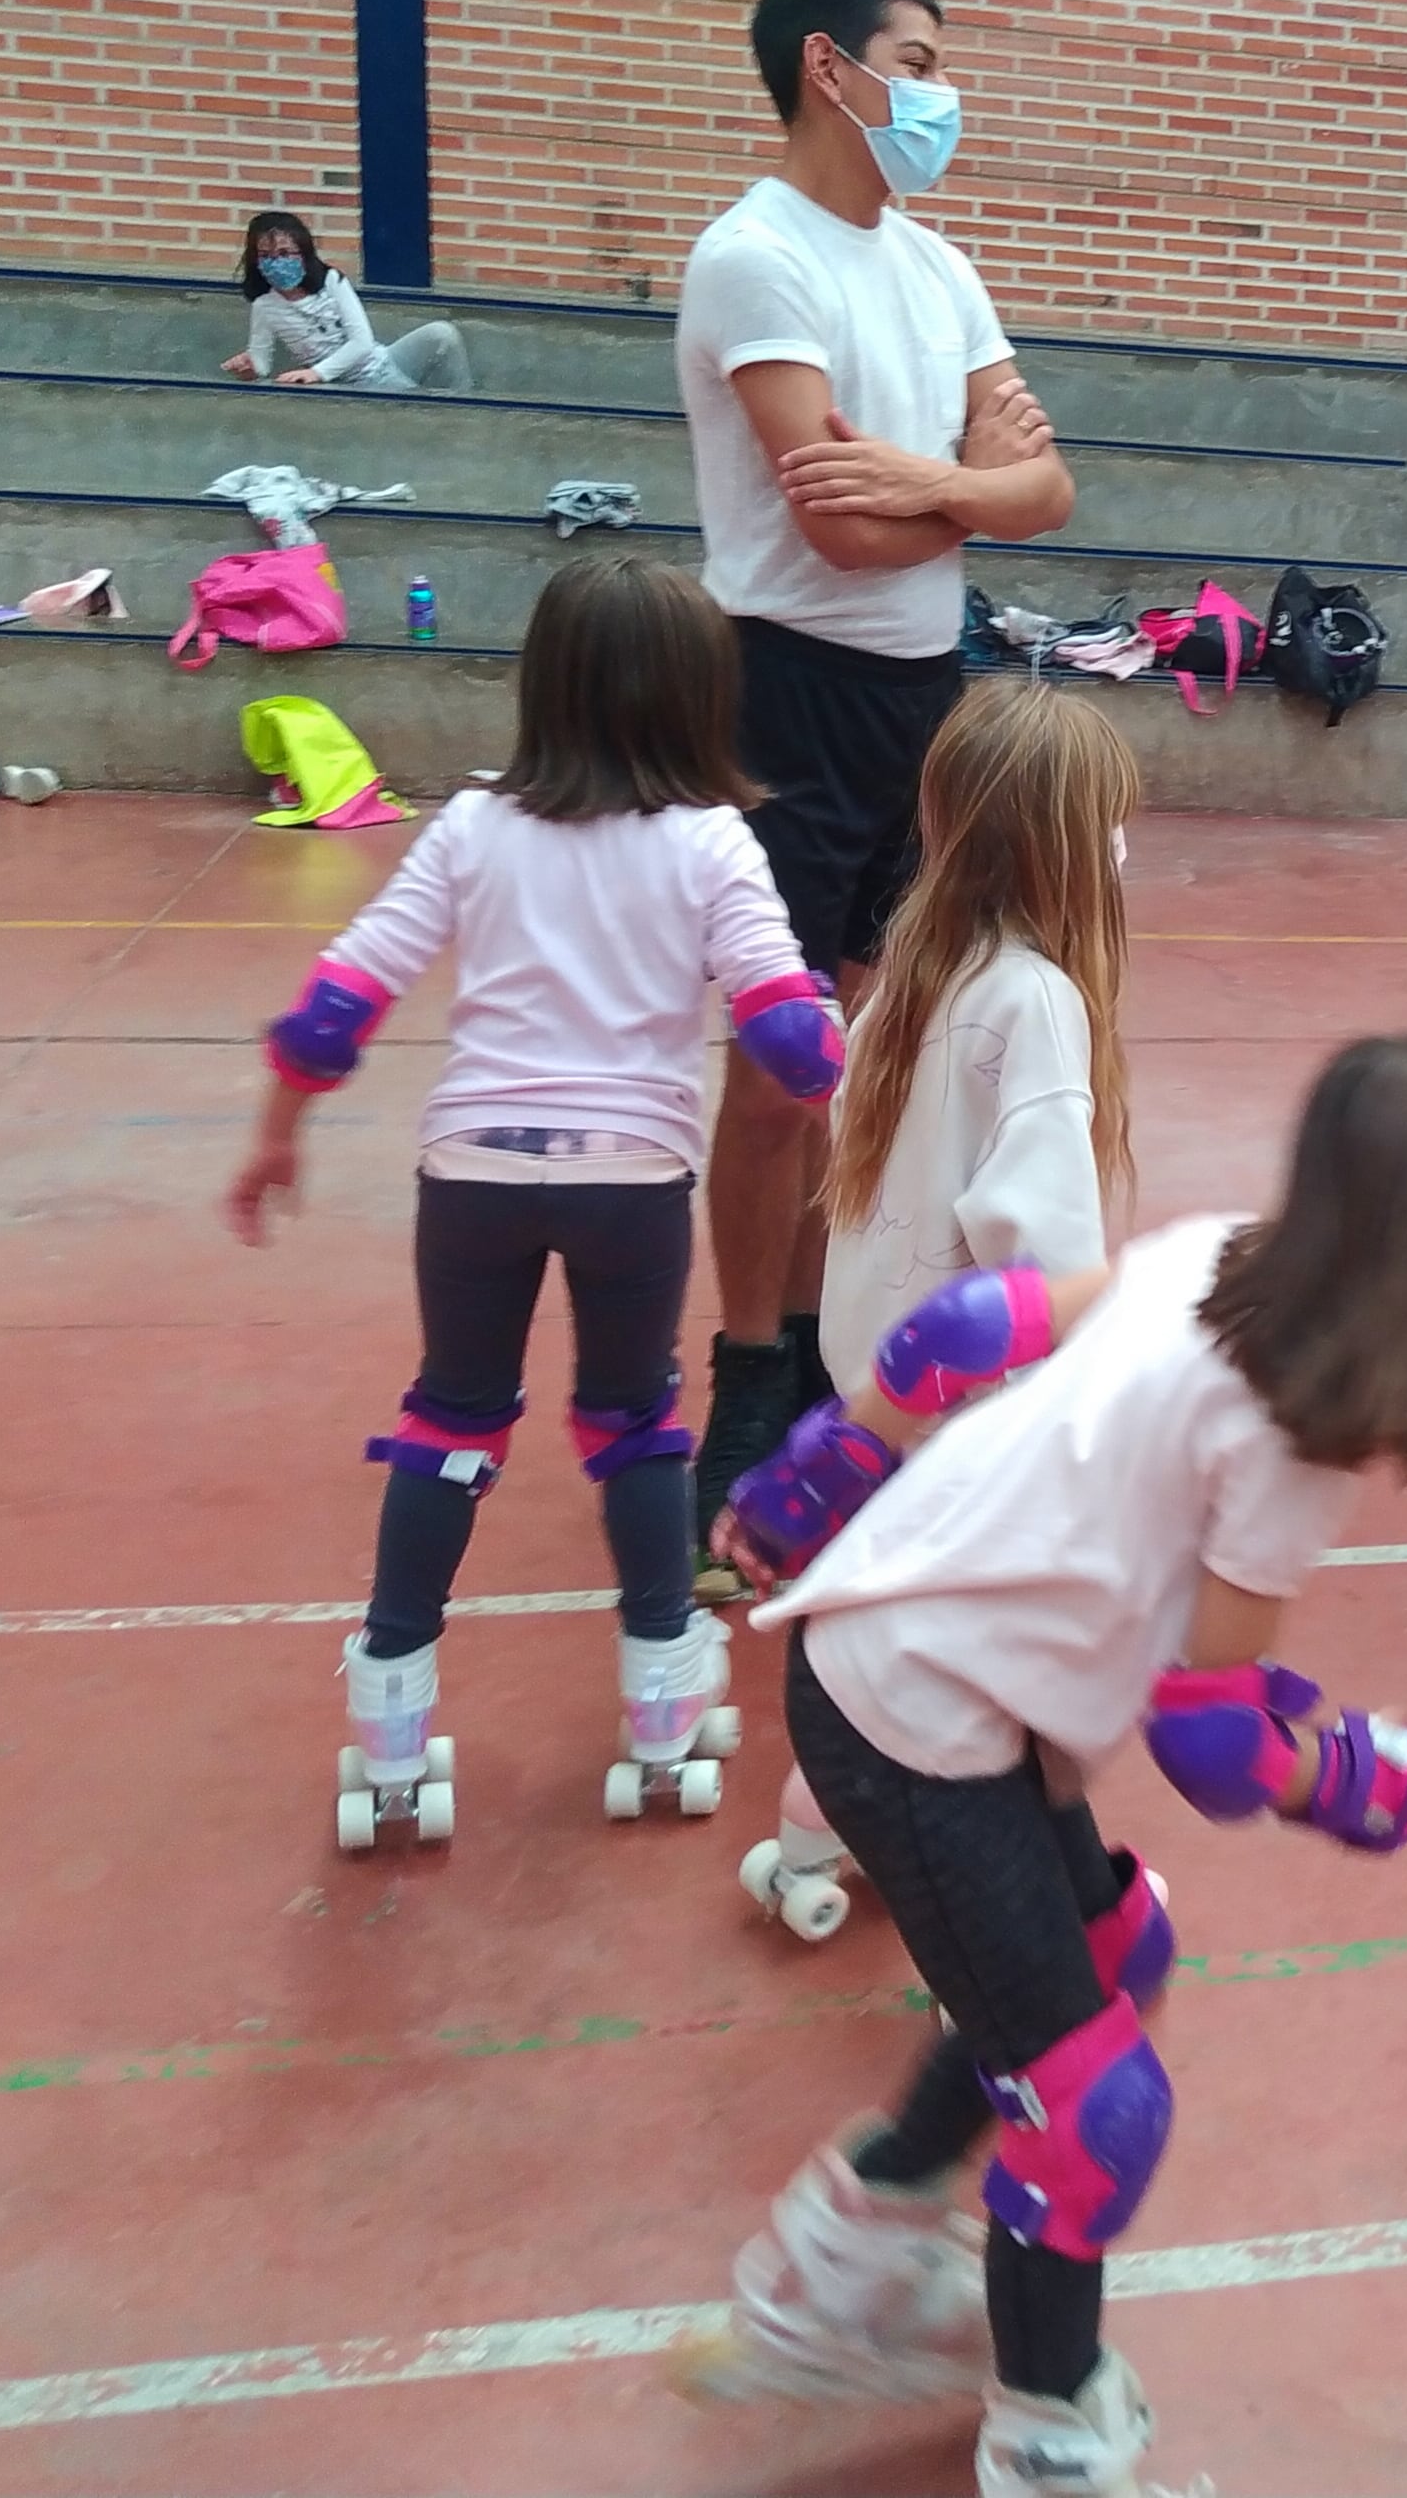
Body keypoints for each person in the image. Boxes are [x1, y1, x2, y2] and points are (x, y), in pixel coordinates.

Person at [673, 1035, 1407, 2497]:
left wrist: (825, 1474)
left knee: (1108, 1954)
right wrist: (1347, 1773)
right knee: (1092, 2105)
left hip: (921, 1673)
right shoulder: (1296, 1441)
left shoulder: (1225, 1253)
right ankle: (1049, 2436)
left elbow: (965, 1329)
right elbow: (1214, 1739)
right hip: (921, 1723)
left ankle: (846, 2272)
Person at [220, 556, 847, 1848]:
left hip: (473, 1178)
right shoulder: (713, 841)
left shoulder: (471, 825)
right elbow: (786, 1040)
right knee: (630, 1426)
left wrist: (275, 1139)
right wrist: (842, 1076)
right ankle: (663, 1695)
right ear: (697, 699)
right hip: (631, 1186)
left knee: (451, 1421)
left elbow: (340, 999)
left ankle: (390, 1711)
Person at [679, 0, 1080, 1569]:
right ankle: (749, 1384)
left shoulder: (939, 268)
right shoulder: (754, 261)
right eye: (915, 58)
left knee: (883, 1069)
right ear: (832, 69)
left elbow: (1046, 495)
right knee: (784, 1076)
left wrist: (948, 489)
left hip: (930, 708)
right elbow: (831, 532)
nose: (940, 91)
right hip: (786, 701)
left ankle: (845, 1382)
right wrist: (971, 484)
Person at [738, 680, 1142, 1940]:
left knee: (901, 1644)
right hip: (975, 1424)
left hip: (879, 1395)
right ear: (1078, 847)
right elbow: (1047, 1249)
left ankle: (813, 1835)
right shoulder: (1037, 1001)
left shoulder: (919, 961)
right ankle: (1055, 1904)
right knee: (1022, 1672)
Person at [221, 211, 470, 391]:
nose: (276, 263)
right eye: (266, 256)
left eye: (285, 254)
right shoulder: (265, 306)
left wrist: (316, 373)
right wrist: (248, 367)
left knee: (442, 334)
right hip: (346, 386)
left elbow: (362, 342)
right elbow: (262, 361)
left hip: (381, 364)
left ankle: (463, 404)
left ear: (303, 253)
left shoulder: (331, 280)